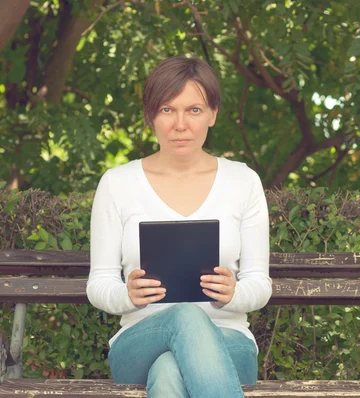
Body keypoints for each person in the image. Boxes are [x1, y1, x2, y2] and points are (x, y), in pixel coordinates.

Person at [86, 55, 272, 398]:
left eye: (194, 110)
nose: (180, 124)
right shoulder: (117, 184)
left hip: (229, 341)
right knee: (183, 316)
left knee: (170, 372)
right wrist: (126, 296)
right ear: (151, 116)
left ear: (213, 114)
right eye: (167, 110)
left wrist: (236, 293)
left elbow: (260, 284)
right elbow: (99, 283)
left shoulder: (243, 181)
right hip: (141, 341)